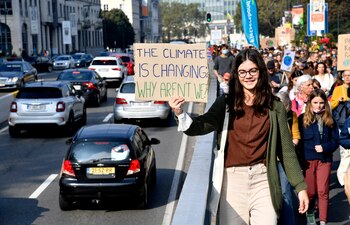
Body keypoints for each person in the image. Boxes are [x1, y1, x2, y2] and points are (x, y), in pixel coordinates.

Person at [169, 48, 309, 225]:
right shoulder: (226, 104)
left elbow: (287, 151)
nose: (248, 76)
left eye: (252, 70)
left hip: (264, 179)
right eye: (242, 72)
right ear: (237, 74)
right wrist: (179, 112)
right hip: (232, 181)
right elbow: (200, 126)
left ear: (260, 72)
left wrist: (300, 187)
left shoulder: (275, 107)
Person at [297, 89, 339, 225]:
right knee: (311, 192)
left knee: (323, 190)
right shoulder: (302, 119)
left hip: (324, 160)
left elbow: (335, 140)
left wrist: (325, 147)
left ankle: (323, 220)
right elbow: (299, 142)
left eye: (321, 102)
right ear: (310, 103)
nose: (318, 105)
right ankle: (310, 216)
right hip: (308, 160)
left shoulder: (330, 119)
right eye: (315, 102)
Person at [275, 91, 300, 225]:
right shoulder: (269, 115)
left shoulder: (292, 116)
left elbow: (295, 136)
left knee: (286, 191)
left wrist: (289, 147)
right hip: (270, 159)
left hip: (285, 158)